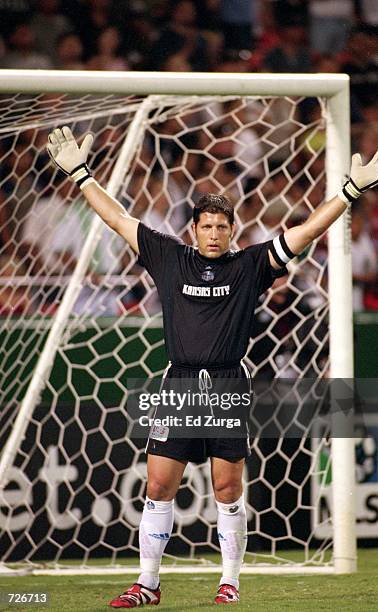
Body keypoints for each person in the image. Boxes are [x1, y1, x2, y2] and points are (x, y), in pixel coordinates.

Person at [46, 126, 378, 607]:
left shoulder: (250, 265)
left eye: (223, 226)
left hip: (226, 383)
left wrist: (348, 193)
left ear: (232, 230)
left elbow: (305, 232)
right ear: (194, 229)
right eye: (207, 226)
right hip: (179, 382)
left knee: (226, 487)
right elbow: (118, 219)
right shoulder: (169, 257)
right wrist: (80, 175)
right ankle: (148, 584)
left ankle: (229, 581)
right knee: (158, 484)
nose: (215, 233)